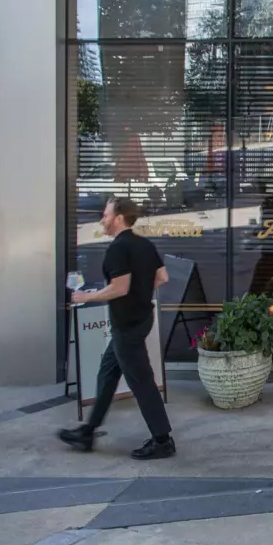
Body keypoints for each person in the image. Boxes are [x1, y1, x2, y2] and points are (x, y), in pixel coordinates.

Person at [59, 197, 175, 460]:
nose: (103, 219)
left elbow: (120, 288)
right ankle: (88, 431)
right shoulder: (144, 244)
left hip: (128, 325)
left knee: (141, 382)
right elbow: (162, 277)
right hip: (140, 319)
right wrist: (140, 292)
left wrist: (85, 297)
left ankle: (162, 440)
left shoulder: (118, 249)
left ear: (119, 217)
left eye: (106, 214)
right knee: (107, 373)